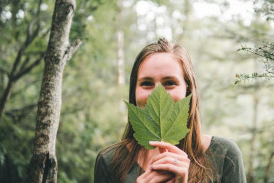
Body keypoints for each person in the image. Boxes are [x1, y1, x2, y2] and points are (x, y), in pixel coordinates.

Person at [94, 38, 246, 183]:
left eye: (169, 83)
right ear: (134, 91)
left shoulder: (224, 154)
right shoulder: (110, 161)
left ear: (188, 89)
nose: (158, 94)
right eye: (147, 83)